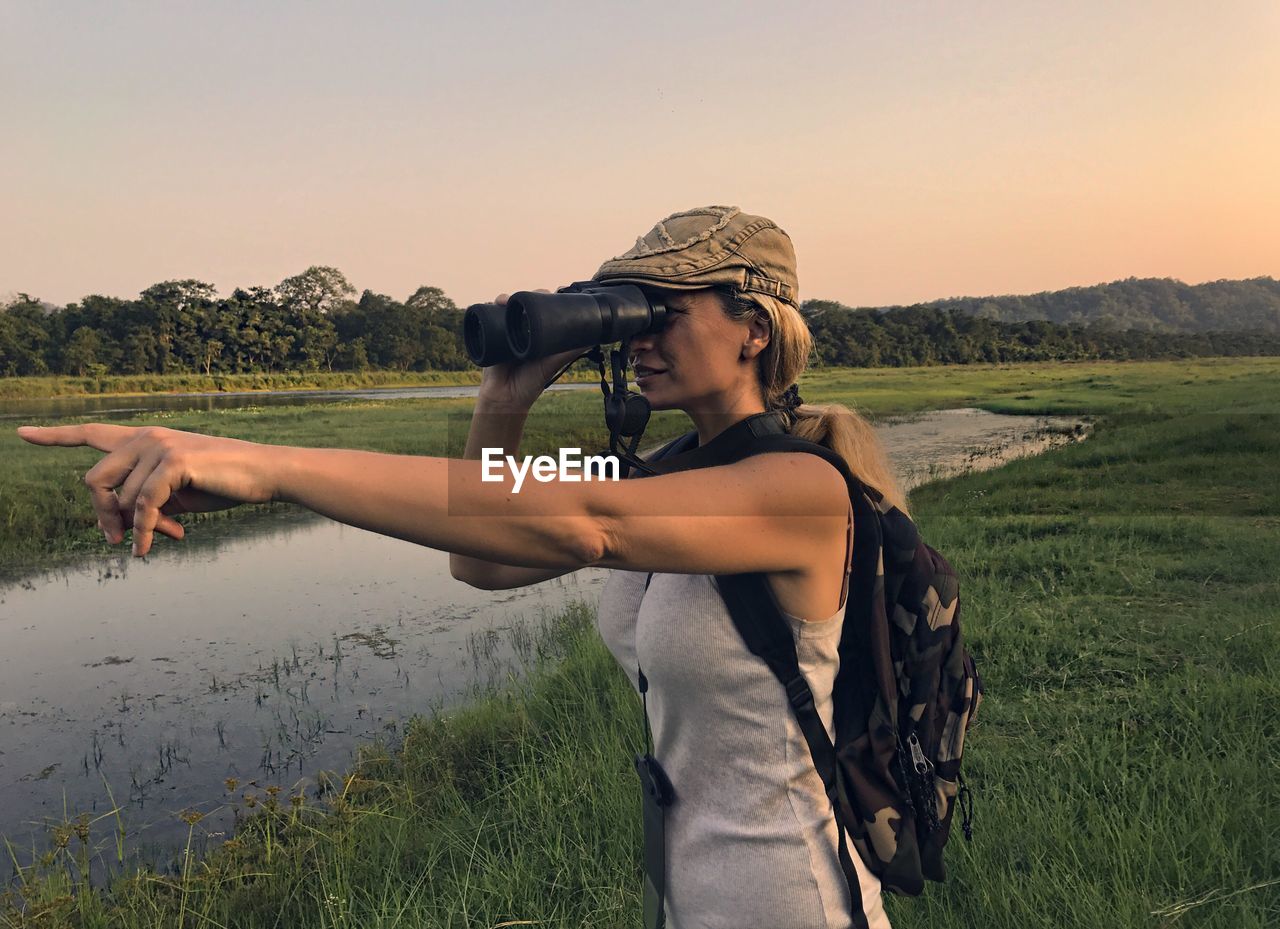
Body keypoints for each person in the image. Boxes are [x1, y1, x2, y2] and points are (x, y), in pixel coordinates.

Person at [17, 205, 906, 929]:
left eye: (662, 311)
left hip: (795, 902)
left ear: (752, 328)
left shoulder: (797, 489)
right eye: (630, 312)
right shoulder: (666, 472)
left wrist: (265, 460)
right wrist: (502, 399)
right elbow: (478, 559)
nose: (638, 336)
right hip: (690, 896)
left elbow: (588, 523)